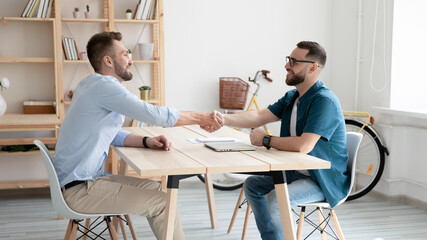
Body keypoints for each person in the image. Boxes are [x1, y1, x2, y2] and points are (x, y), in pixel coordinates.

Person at [54, 31, 221, 240]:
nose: (131, 60)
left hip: (81, 182)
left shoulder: (89, 84)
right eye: (125, 54)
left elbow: (111, 134)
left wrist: (146, 141)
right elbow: (153, 114)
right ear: (108, 60)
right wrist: (203, 117)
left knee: (155, 188)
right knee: (163, 203)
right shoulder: (106, 87)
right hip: (80, 191)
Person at [214, 41, 348, 239]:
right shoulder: (292, 97)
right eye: (288, 60)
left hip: (321, 180)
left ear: (312, 67)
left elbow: (304, 145)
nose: (286, 66)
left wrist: (266, 139)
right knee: (252, 185)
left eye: (293, 62)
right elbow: (259, 116)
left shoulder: (324, 101)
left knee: (278, 198)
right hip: (296, 173)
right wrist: (222, 119)